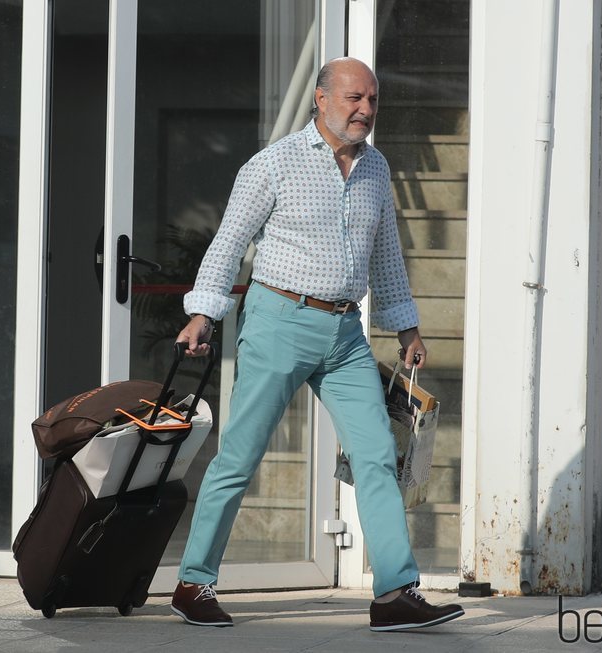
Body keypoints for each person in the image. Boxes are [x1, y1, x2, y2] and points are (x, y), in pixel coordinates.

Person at [170, 58, 465, 632]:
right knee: (240, 456)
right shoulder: (274, 164)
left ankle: (394, 594)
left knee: (378, 454)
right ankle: (193, 583)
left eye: (373, 100)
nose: (366, 110)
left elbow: (386, 257)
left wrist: (407, 327)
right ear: (321, 99)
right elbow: (228, 242)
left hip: (346, 333)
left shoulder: (377, 169)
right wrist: (202, 313)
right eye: (355, 98)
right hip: (279, 320)